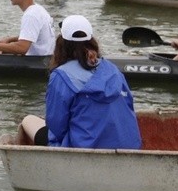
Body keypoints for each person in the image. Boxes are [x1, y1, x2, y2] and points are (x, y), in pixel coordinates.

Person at [20, 15, 141, 149]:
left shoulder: (61, 76)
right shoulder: (113, 70)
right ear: (92, 41)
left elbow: (56, 126)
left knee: (28, 120)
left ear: (61, 44)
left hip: (85, 148)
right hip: (130, 146)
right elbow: (129, 106)